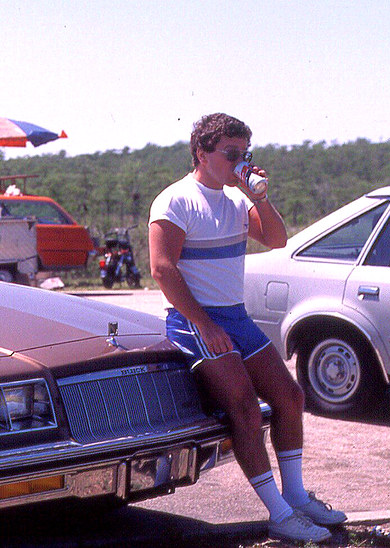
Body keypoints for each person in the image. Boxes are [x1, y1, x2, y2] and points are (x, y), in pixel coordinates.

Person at [148, 113, 346, 543]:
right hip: (194, 320)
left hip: (235, 315)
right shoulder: (176, 201)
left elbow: (276, 239)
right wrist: (203, 323)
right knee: (245, 410)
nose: (240, 162)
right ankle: (278, 512)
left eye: (245, 154)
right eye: (231, 154)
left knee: (291, 396)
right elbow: (162, 269)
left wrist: (258, 196)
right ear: (202, 153)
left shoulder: (236, 201)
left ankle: (295, 496)